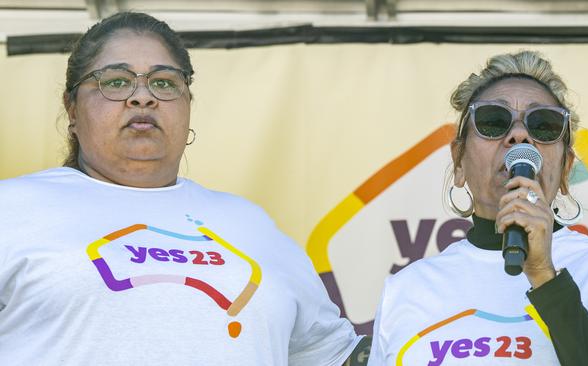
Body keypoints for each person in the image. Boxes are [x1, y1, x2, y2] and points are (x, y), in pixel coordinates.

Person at [0, 12, 364, 365]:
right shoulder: (12, 209)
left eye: (164, 82)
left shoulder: (251, 225)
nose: (143, 97)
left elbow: (331, 355)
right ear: (73, 110)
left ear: (188, 105)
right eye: (115, 81)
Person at [367, 50, 588, 365]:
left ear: (566, 169)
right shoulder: (406, 289)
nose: (519, 135)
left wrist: (544, 276)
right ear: (459, 162)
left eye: (543, 125)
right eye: (493, 121)